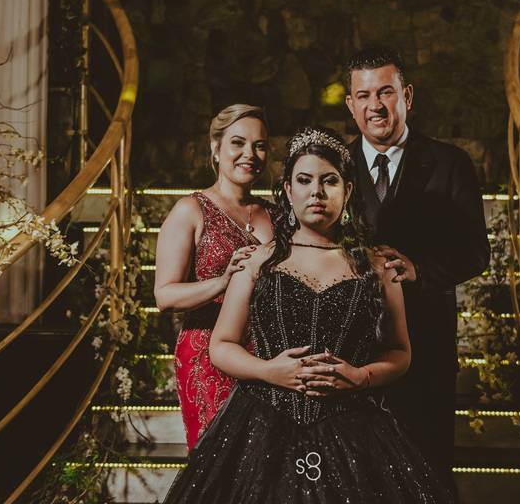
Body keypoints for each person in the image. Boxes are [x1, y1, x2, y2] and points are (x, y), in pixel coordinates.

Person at [162, 126, 453, 503]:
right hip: (262, 421)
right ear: (288, 190)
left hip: (354, 426)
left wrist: (361, 377)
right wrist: (269, 371)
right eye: (304, 180)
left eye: (329, 181)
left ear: (348, 191)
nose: (316, 191)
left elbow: (400, 352)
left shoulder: (376, 266)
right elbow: (221, 345)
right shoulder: (258, 262)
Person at [344, 47, 490, 497]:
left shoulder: (450, 163)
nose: (375, 105)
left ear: (406, 95)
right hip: (353, 351)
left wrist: (420, 270)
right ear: (350, 104)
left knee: (427, 475)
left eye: (385, 92)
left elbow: (476, 252)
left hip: (427, 347)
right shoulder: (334, 167)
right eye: (364, 95)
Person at [154, 104, 274, 450]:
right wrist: (222, 282)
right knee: (218, 463)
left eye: (260, 146)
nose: (249, 154)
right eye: (238, 143)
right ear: (216, 148)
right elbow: (164, 296)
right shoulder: (191, 210)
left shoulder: (277, 214)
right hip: (207, 355)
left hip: (265, 356)